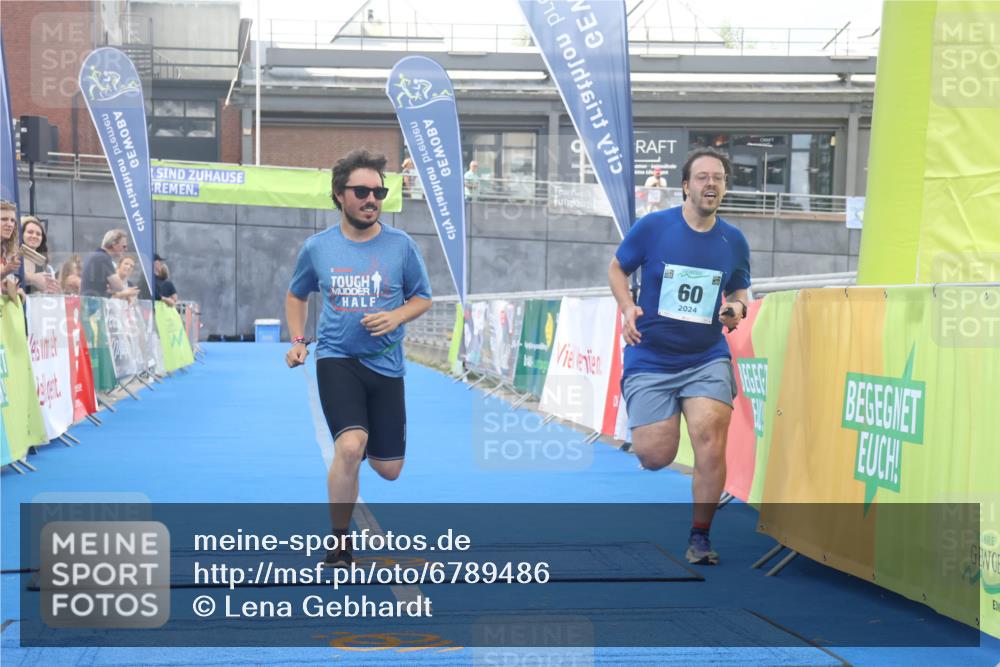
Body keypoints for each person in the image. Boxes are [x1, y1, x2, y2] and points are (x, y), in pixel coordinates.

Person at [285, 149, 432, 567]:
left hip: (386, 364)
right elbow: (297, 294)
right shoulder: (318, 248)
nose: (372, 199)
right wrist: (298, 339)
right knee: (350, 446)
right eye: (362, 191)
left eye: (378, 191)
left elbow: (422, 296)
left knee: (389, 469)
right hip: (336, 358)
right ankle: (339, 542)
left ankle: (361, 440)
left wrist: (396, 315)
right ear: (339, 194)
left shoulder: (401, 246)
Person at [608, 148, 751, 566]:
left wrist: (737, 309)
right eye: (702, 177)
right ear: (685, 186)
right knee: (655, 456)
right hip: (650, 355)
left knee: (710, 441)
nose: (711, 184)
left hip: (705, 356)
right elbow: (617, 268)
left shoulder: (733, 241)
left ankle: (700, 537)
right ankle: (642, 421)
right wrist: (626, 307)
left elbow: (740, 289)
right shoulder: (653, 228)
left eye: (719, 178)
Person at [81, 229, 138, 298]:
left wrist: (111, 288)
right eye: (124, 246)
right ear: (114, 244)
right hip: (94, 304)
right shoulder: (103, 258)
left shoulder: (95, 255)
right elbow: (119, 287)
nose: (126, 249)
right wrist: (126, 291)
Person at [20, 216, 60, 294]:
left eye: (38, 234)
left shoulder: (46, 268)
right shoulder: (12, 257)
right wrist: (33, 279)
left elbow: (50, 292)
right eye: (30, 232)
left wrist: (52, 291)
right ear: (21, 235)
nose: (34, 236)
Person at [1, 200, 22, 284]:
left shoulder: (6, 251)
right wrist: (5, 270)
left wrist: (14, 291)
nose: (9, 224)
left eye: (12, 220)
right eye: (3, 219)